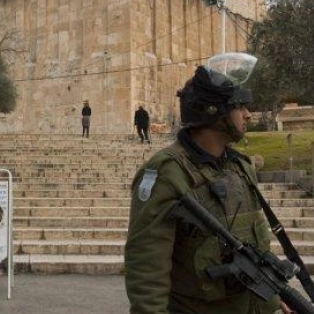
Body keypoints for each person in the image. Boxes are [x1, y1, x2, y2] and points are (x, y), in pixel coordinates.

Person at [124, 53, 293, 314]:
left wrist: (269, 296)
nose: (248, 115)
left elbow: (255, 242)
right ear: (215, 112)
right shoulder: (167, 172)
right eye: (240, 107)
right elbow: (147, 266)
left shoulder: (240, 167)